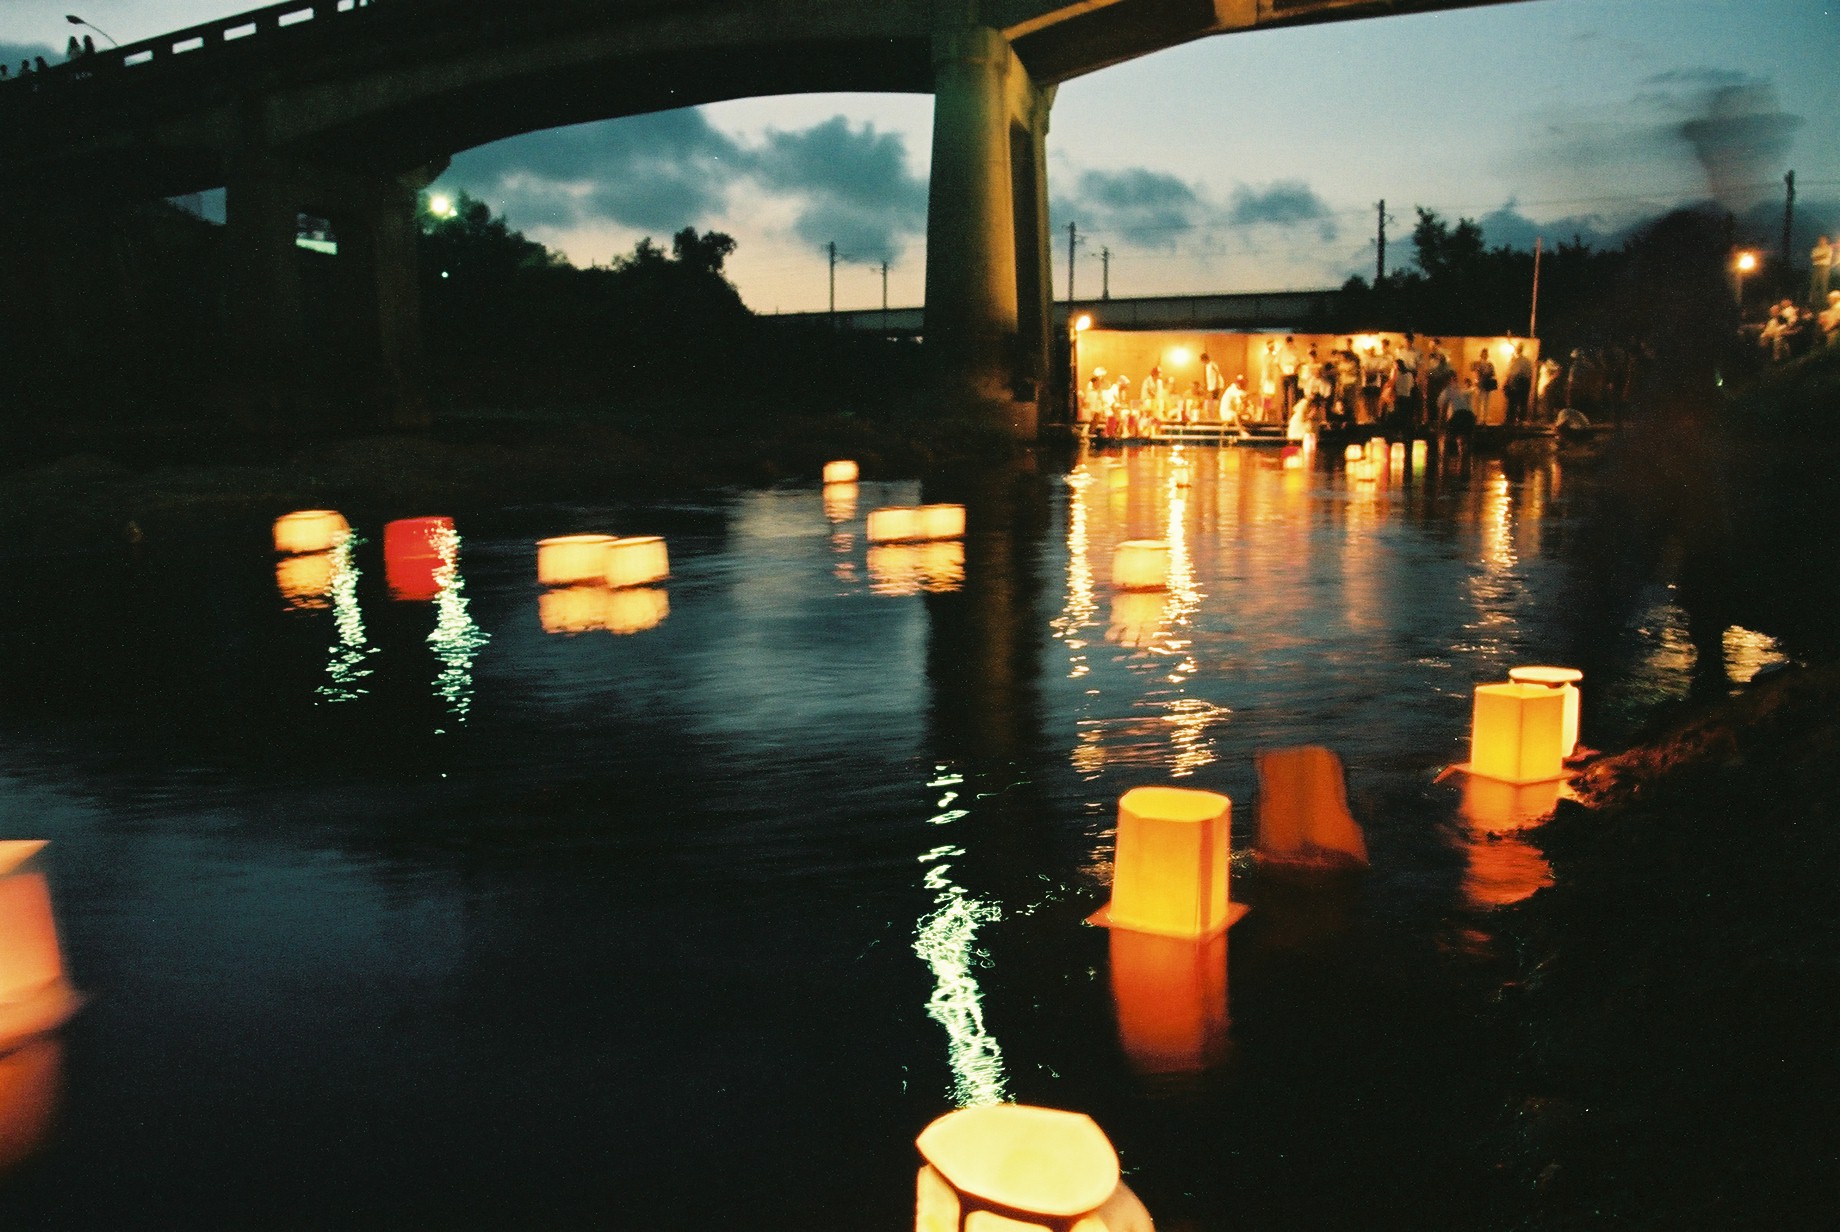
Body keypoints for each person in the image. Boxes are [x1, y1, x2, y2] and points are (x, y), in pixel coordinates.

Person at [1503, 344, 1534, 425]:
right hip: (1525, 383)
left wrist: (1509, 382)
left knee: (1512, 403)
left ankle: (1510, 420)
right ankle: (1521, 420)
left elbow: (1513, 373)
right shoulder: (1527, 361)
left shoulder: (1517, 361)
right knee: (1523, 402)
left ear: (1518, 350)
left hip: (1517, 382)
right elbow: (1530, 373)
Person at [1472, 350, 1497, 422]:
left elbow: (1493, 374)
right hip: (1481, 384)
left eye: (1486, 354)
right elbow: (1473, 370)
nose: (1485, 355)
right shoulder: (1479, 363)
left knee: (1485, 402)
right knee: (1479, 402)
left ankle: (1484, 419)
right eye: (1484, 354)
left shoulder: (1489, 364)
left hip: (1486, 385)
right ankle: (1479, 418)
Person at [1201, 351, 1224, 418]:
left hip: (1216, 385)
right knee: (1211, 400)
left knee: (1214, 400)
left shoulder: (1212, 364)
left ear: (1205, 359)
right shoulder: (1207, 366)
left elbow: (1217, 374)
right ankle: (1210, 415)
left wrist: (1216, 384)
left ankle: (1213, 415)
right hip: (1211, 386)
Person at [1812, 236, 1834, 306]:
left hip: (1825, 267)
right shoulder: (1815, 249)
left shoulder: (1829, 248)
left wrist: (1819, 257)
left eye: (1823, 240)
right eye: (1820, 240)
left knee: (1823, 284)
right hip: (1816, 267)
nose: (1821, 241)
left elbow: (1826, 256)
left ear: (1826, 241)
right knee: (1814, 283)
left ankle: (1823, 301)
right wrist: (1822, 256)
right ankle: (1813, 300)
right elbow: (1814, 259)